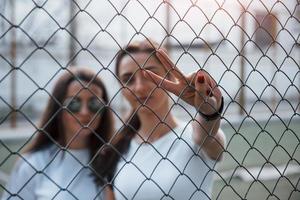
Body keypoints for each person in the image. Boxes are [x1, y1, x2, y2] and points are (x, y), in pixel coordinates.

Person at [98, 39, 226, 200]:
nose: (139, 87)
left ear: (170, 77)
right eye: (128, 79)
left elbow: (207, 136)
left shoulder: (193, 138)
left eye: (150, 75)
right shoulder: (116, 149)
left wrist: (208, 110)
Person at [2, 68, 115, 200]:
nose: (84, 112)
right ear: (58, 109)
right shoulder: (34, 164)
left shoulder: (114, 162)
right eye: (73, 103)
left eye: (94, 104)